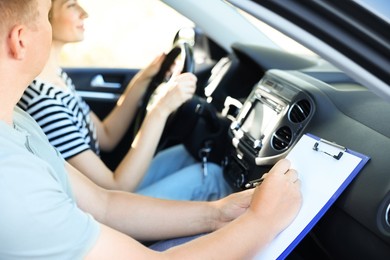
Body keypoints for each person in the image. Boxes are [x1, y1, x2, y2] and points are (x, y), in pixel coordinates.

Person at [0, 0, 302, 258]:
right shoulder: (13, 182)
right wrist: (263, 221)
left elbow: (104, 205)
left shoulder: (18, 122)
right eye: (43, 15)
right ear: (21, 41)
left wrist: (219, 213)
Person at [17, 0, 231, 201]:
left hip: (110, 197)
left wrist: (143, 79)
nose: (85, 13)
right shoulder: (44, 102)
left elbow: (106, 136)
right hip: (105, 212)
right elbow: (114, 188)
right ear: (43, 18)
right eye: (71, 5)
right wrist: (161, 108)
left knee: (191, 154)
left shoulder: (55, 79)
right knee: (210, 176)